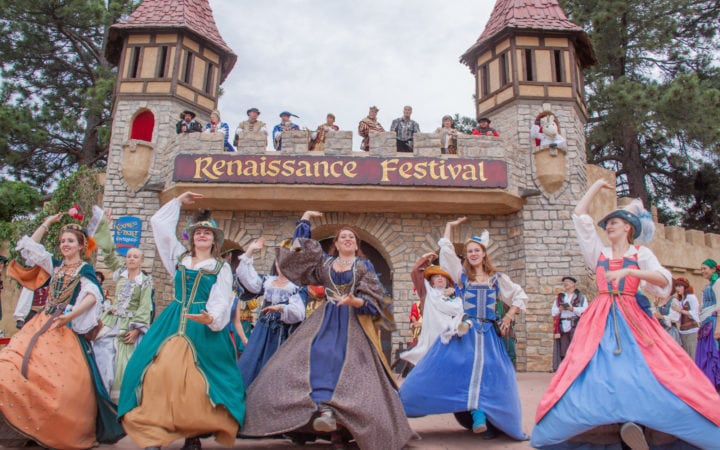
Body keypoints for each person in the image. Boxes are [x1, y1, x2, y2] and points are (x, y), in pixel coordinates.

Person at [531, 179, 720, 449]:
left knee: (643, 371)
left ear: (628, 227)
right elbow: (579, 216)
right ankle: (613, 429)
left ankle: (645, 428)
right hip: (601, 318)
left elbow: (663, 281)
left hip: (633, 316)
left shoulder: (640, 253)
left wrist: (630, 272)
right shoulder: (599, 252)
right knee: (596, 373)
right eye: (607, 222)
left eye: (614, 222)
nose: (608, 225)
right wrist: (595, 186)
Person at [240, 211, 414, 450]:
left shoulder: (363, 266)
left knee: (353, 372)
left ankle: (342, 428)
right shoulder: (325, 264)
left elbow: (376, 298)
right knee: (312, 361)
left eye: (351, 237)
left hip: (353, 324)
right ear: (335, 243)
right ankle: (323, 414)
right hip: (325, 320)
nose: (347, 239)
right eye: (343, 236)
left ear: (357, 244)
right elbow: (303, 256)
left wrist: (356, 302)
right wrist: (304, 221)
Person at [118, 192, 245, 450]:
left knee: (197, 381)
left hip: (203, 323)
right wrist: (178, 201)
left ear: (214, 240)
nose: (201, 235)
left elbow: (221, 299)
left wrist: (211, 318)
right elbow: (159, 225)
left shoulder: (221, 268)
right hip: (173, 319)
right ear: (192, 237)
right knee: (155, 372)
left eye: (207, 233)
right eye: (197, 232)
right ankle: (155, 433)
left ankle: (193, 434)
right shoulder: (178, 258)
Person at [0, 212, 124, 449]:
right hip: (41, 323)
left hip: (65, 328)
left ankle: (49, 429)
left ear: (80, 245)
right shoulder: (55, 266)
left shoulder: (85, 269)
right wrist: (47, 223)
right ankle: (24, 425)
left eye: (70, 241)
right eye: (62, 241)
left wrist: (70, 316)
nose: (64, 245)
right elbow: (30, 248)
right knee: (13, 364)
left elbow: (91, 296)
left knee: (58, 382)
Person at [399, 220, 528, 441]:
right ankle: (399, 407)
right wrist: (448, 226)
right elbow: (447, 250)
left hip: (488, 334)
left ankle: (484, 418)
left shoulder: (497, 278)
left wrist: (508, 316)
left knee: (496, 376)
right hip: (465, 332)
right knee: (437, 370)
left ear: (484, 254)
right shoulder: (462, 276)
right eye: (469, 251)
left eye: (477, 250)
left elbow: (519, 295)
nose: (473, 254)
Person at [92, 212, 154, 402]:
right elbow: (109, 253)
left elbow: (145, 307)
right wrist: (105, 226)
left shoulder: (145, 281)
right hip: (112, 320)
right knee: (100, 350)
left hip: (131, 324)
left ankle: (121, 400)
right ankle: (99, 395)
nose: (131, 259)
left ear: (141, 261)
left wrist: (136, 330)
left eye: (136, 257)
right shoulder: (120, 273)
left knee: (125, 361)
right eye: (129, 256)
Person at [234, 237, 306, 387]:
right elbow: (247, 278)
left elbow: (299, 313)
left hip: (284, 333)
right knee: (250, 363)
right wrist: (249, 251)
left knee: (277, 369)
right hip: (262, 332)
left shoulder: (297, 287)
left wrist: (280, 308)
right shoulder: (267, 281)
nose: (282, 265)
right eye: (280, 262)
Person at [399, 252, 464, 366]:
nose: (440, 278)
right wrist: (426, 259)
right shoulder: (427, 293)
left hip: (450, 342)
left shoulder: (456, 299)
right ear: (431, 280)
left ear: (447, 280)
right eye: (436, 276)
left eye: (442, 276)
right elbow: (416, 272)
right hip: (431, 343)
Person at [551, 276, 588, 371]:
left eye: (567, 282)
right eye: (564, 282)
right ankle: (564, 370)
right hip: (562, 326)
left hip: (575, 325)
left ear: (573, 284)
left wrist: (573, 309)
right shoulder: (560, 297)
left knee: (576, 348)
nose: (565, 284)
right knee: (564, 350)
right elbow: (553, 311)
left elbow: (585, 310)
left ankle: (575, 370)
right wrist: (560, 309)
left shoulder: (581, 297)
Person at [696, 258, 720, 390]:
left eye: (705, 268)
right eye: (701, 269)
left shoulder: (718, 283)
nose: (702, 271)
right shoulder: (708, 286)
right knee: (706, 353)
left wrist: (718, 327)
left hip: (713, 321)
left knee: (712, 352)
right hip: (706, 321)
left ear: (713, 269)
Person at [671, 277, 700, 359]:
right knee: (686, 357)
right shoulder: (680, 300)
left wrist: (680, 310)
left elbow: (695, 313)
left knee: (693, 355)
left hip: (692, 331)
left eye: (680, 286)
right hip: (682, 331)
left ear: (685, 286)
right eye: (676, 286)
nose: (677, 288)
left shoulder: (691, 297)